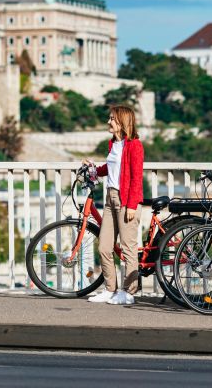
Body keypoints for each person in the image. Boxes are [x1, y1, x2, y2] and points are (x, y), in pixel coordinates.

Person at [85, 105, 145, 306]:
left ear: (122, 122)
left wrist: (132, 204)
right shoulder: (113, 144)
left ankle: (128, 291)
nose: (109, 122)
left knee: (128, 248)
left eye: (112, 119)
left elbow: (137, 177)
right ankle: (110, 289)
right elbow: (109, 169)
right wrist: (93, 169)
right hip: (110, 199)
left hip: (126, 200)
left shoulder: (134, 145)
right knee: (104, 246)